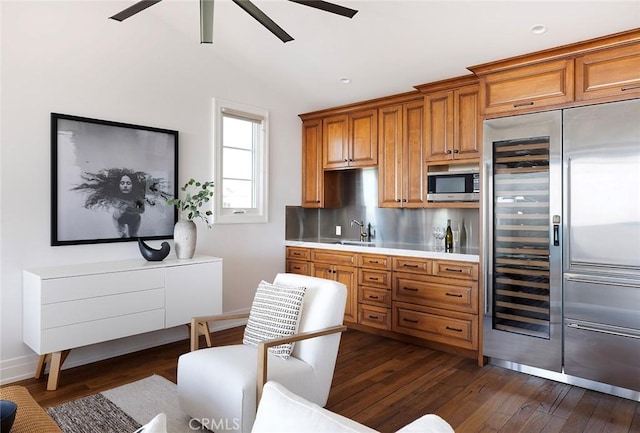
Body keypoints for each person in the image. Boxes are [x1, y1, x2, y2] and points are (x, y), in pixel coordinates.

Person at [73, 168, 149, 238]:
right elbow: (118, 205)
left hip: (134, 220)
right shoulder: (115, 195)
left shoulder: (137, 197)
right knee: (122, 236)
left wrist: (130, 206)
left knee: (133, 235)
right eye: (122, 183)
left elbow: (142, 211)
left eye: (128, 183)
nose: (125, 186)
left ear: (133, 185)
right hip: (119, 220)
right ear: (118, 185)